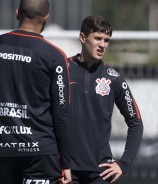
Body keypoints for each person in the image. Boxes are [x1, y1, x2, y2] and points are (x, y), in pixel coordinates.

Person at [0, 0, 72, 183]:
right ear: (46, 18)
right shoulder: (54, 56)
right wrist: (66, 162)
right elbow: (61, 114)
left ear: (17, 13)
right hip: (40, 152)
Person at [68, 15, 143, 183]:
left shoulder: (114, 78)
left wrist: (123, 164)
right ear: (82, 38)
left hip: (100, 173)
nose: (103, 45)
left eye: (107, 40)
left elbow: (136, 122)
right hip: (65, 170)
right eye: (98, 38)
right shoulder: (61, 70)